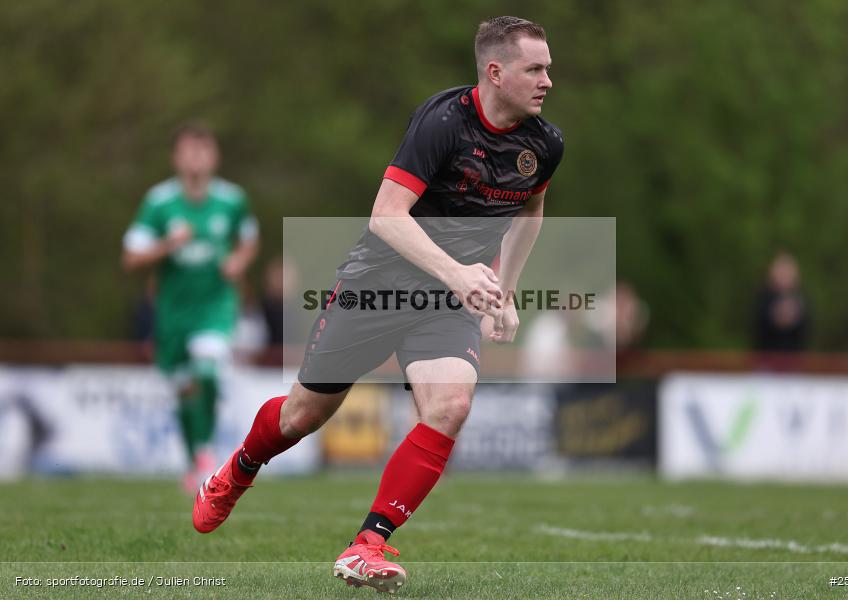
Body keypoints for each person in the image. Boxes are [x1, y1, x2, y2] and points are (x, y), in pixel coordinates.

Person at [192, 16, 562, 594]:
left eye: (548, 69)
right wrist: (457, 273)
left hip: (447, 300)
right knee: (301, 418)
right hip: (377, 286)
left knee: (451, 406)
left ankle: (369, 543)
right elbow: (385, 216)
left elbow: (531, 209)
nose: (546, 81)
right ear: (495, 71)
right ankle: (237, 470)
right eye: (534, 69)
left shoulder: (544, 142)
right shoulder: (443, 122)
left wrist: (503, 292)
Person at [122, 122, 259, 492]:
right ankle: (194, 458)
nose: (196, 159)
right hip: (172, 311)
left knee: (208, 368)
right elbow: (131, 257)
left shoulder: (232, 199)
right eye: (189, 151)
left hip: (215, 304)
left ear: (214, 157)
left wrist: (239, 262)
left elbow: (249, 239)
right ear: (177, 158)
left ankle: (205, 455)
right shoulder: (159, 202)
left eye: (203, 151)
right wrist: (168, 244)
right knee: (183, 387)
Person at [753, 251, 810, 352]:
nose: (784, 276)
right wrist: (776, 317)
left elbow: (806, 332)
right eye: (781, 272)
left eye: (787, 272)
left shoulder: (802, 299)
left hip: (794, 361)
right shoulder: (764, 298)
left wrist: (794, 319)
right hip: (766, 360)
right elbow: (758, 329)